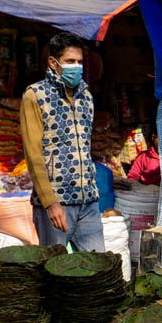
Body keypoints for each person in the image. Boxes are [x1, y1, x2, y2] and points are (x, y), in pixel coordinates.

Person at [20, 31, 103, 252]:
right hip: (56, 202)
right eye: (70, 61)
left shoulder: (86, 96)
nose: (76, 67)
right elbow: (33, 154)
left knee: (98, 270)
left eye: (79, 62)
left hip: (88, 200)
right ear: (53, 62)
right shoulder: (35, 96)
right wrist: (50, 202)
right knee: (54, 269)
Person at [128, 121, 161, 186]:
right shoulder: (144, 157)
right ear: (153, 137)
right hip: (148, 191)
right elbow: (133, 176)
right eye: (160, 138)